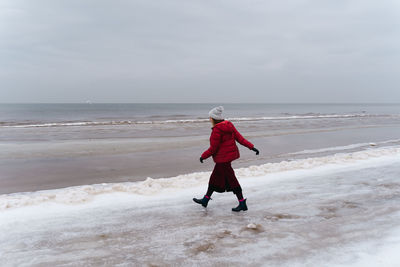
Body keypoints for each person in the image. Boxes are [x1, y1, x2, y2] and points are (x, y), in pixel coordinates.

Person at [193, 106, 259, 212]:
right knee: (214, 178)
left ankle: (242, 203)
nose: (209, 119)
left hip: (222, 160)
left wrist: (203, 156)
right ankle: (205, 200)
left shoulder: (216, 130)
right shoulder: (229, 125)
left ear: (213, 118)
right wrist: (251, 146)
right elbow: (240, 138)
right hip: (225, 159)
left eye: (210, 117)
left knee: (232, 181)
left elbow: (213, 148)